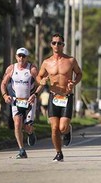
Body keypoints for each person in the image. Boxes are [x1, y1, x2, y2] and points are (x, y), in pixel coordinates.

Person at [37, 33, 82, 162]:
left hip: (66, 97)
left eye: (59, 43)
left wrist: (74, 82)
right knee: (54, 128)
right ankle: (58, 153)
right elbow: (39, 76)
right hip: (53, 97)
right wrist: (41, 81)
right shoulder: (46, 62)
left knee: (62, 128)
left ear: (63, 45)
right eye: (54, 43)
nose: (56, 45)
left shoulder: (70, 60)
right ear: (51, 44)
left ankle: (68, 130)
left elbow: (79, 74)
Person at [1, 47, 41, 159]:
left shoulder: (32, 69)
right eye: (19, 55)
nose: (21, 58)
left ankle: (30, 132)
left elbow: (41, 84)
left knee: (27, 126)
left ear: (27, 58)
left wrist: (35, 95)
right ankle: (22, 150)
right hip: (16, 101)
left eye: (23, 56)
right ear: (16, 56)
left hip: (29, 101)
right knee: (17, 124)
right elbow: (3, 84)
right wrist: (5, 95)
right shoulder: (11, 68)